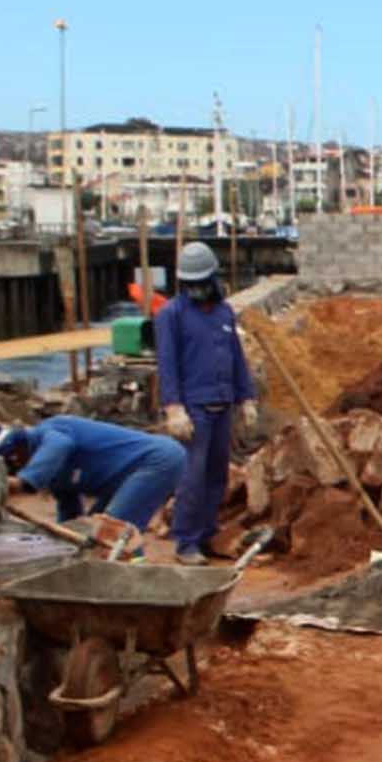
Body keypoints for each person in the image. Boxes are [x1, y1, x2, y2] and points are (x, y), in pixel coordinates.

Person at [152, 240, 258, 565]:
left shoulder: (224, 313)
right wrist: (174, 407)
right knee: (192, 478)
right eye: (191, 284)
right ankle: (186, 542)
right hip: (194, 410)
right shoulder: (171, 315)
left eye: (202, 283)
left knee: (216, 477)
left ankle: (208, 535)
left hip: (221, 404)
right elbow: (167, 364)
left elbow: (236, 358)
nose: (198, 289)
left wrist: (246, 397)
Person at [0, 418, 185, 549]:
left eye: (12, 462)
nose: (15, 465)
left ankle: (131, 583)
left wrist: (24, 482)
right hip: (125, 474)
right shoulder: (54, 473)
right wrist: (65, 539)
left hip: (157, 460)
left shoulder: (52, 431)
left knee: (113, 532)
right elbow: (68, 507)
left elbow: (59, 446)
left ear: (14, 453)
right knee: (93, 532)